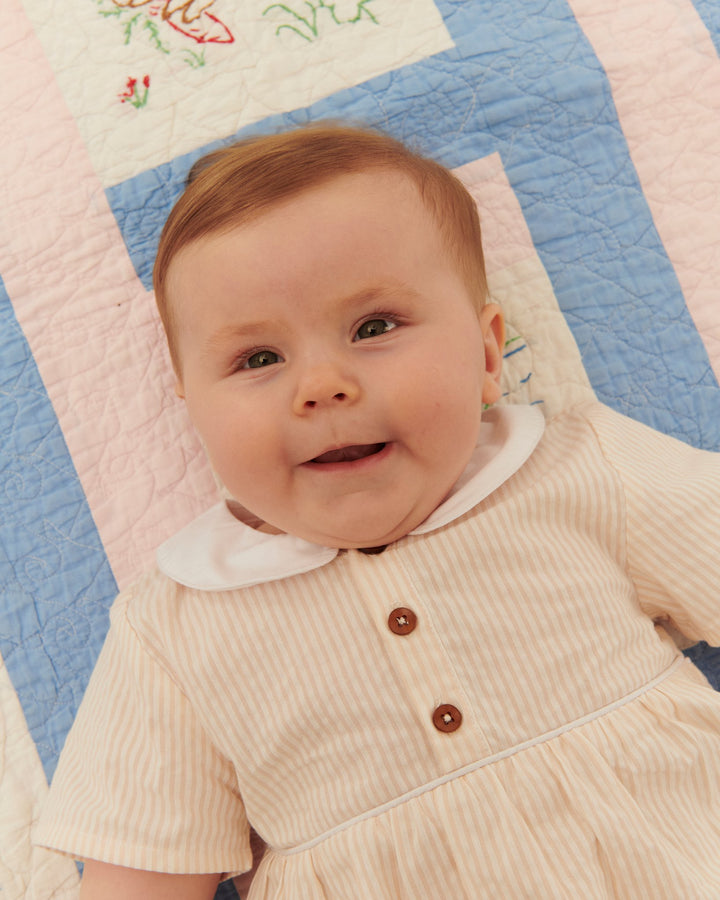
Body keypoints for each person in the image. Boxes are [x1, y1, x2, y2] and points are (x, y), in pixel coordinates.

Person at [35, 124, 720, 899]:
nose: (323, 385)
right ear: (191, 406)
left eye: (374, 328)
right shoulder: (177, 627)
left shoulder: (582, 470)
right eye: (258, 359)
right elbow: (139, 875)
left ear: (488, 355)